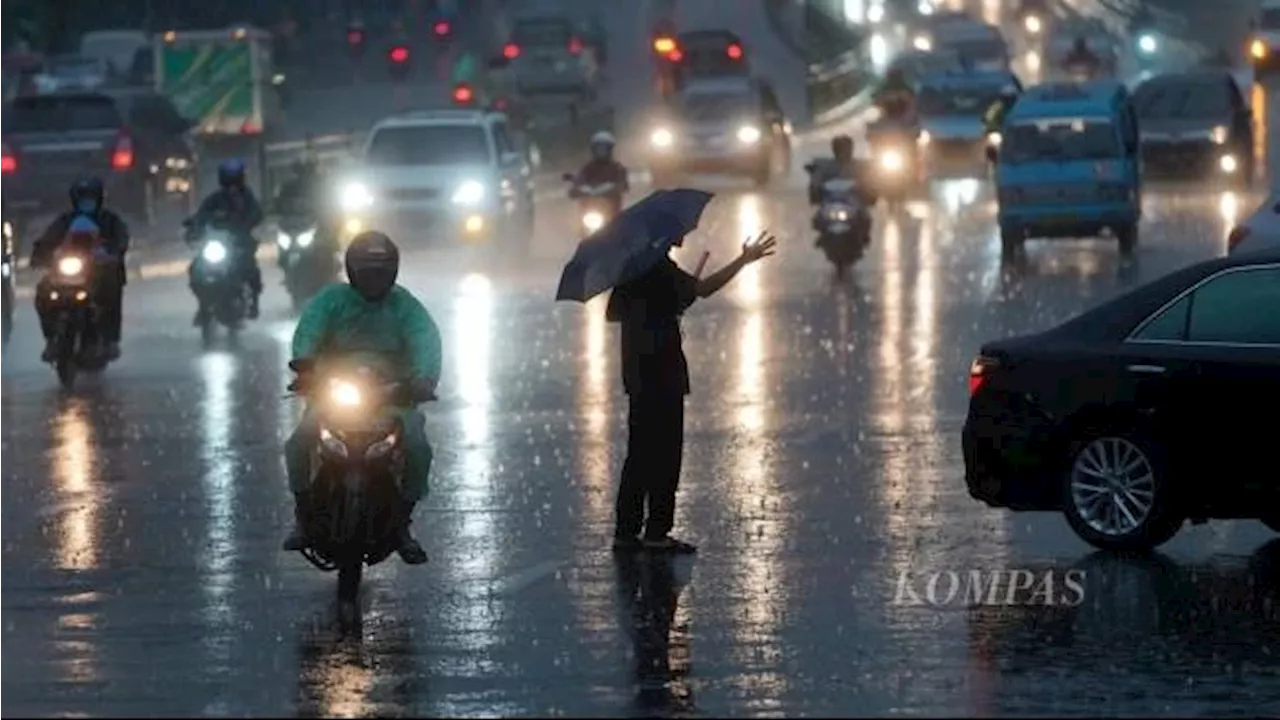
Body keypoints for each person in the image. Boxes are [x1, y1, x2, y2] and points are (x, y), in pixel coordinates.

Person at [606, 230, 778, 554]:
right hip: (662, 371)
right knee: (666, 455)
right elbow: (703, 289)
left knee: (639, 454)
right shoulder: (659, 268)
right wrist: (743, 259)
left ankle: (626, 531)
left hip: (638, 373)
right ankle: (657, 532)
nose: (683, 235)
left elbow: (615, 313)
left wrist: (662, 307)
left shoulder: (632, 269)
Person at [282, 231, 441, 565]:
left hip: (392, 396)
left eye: (380, 272)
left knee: (417, 446)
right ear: (352, 272)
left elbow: (425, 340)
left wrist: (423, 379)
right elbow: (309, 330)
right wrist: (306, 366)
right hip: (333, 392)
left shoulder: (405, 307)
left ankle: (402, 524)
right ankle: (303, 513)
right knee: (299, 443)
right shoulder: (331, 300)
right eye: (367, 272)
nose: (373, 280)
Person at [30, 177, 129, 361]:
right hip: (66, 275)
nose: (87, 201)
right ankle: (51, 339)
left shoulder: (109, 220)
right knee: (43, 292)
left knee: (111, 291)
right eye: (82, 197)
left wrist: (112, 252)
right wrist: (39, 255)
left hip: (99, 273)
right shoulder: (65, 221)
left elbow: (121, 239)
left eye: (90, 197)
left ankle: (109, 339)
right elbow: (48, 239)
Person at [188, 159, 264, 321]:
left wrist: (247, 223)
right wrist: (193, 228)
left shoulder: (247, 198)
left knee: (250, 268)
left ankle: (253, 303)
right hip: (218, 244)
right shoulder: (215, 199)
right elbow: (201, 216)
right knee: (196, 268)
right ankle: (203, 305)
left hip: (240, 244)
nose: (232, 183)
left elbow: (257, 214)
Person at [571, 131, 629, 207]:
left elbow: (623, 185)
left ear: (610, 150)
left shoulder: (617, 167)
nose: (601, 151)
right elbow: (579, 182)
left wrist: (615, 188)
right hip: (589, 208)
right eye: (598, 148)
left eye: (604, 148)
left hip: (612, 207)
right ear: (593, 150)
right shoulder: (587, 168)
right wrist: (577, 190)